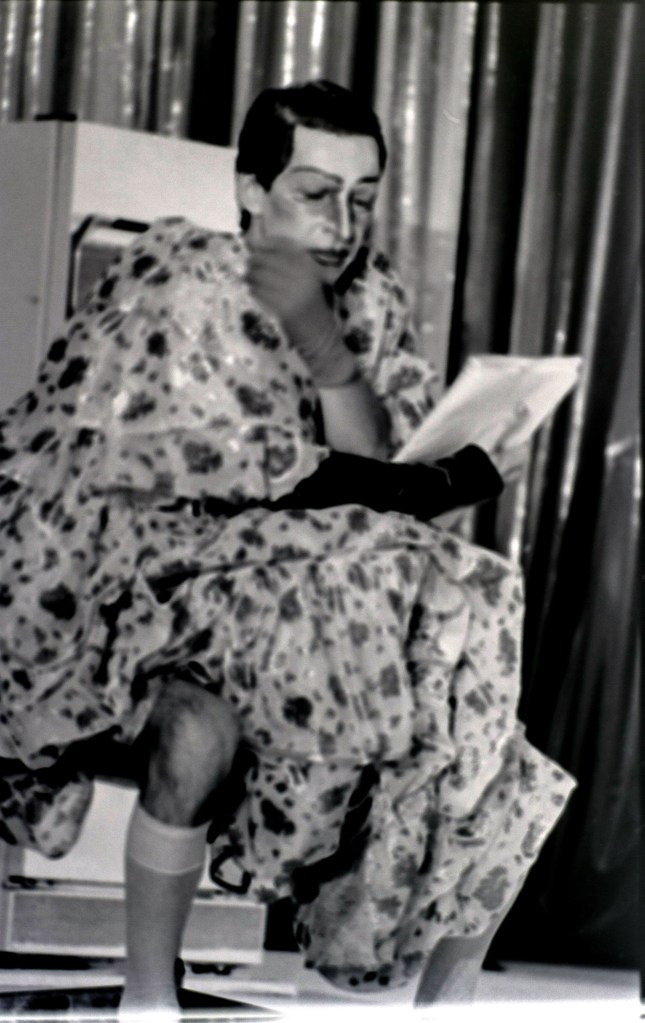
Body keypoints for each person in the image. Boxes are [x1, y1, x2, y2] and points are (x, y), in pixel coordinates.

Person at [0, 80, 574, 1016]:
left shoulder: (368, 296)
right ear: (250, 189)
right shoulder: (178, 275)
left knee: (480, 729)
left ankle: (447, 1010)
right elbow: (204, 469)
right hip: (132, 591)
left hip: (298, 602)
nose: (341, 223)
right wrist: (413, 483)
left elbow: (378, 464)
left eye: (362, 197)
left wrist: (325, 347)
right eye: (314, 192)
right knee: (202, 729)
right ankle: (149, 1002)